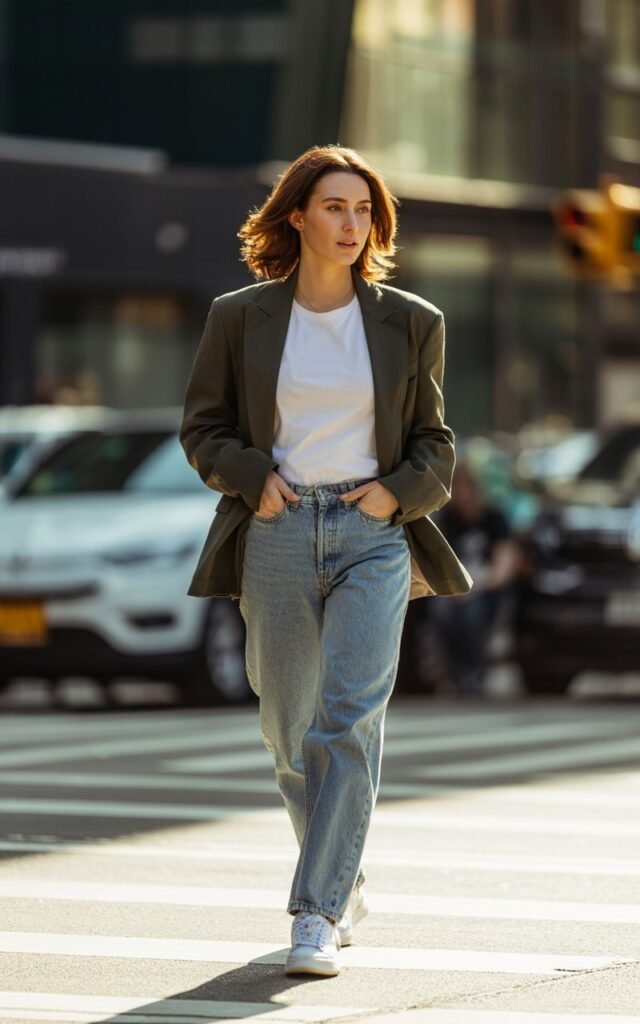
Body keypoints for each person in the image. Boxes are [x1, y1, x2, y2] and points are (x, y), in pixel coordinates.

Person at [179, 144, 472, 977]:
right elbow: (202, 428)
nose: (352, 224)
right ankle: (344, 875)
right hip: (275, 528)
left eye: (364, 210)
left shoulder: (412, 321)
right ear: (299, 216)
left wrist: (395, 494)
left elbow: (435, 442)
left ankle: (316, 912)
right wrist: (253, 479)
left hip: (372, 533)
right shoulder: (239, 317)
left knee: (348, 719)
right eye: (336, 207)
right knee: (289, 731)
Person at [430, 459, 519, 697]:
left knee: (473, 615)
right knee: (441, 611)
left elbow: (503, 566)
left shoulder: (494, 518)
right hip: (453, 590)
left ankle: (474, 672)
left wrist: (474, 588)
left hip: (486, 590)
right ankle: (452, 673)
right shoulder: (447, 520)